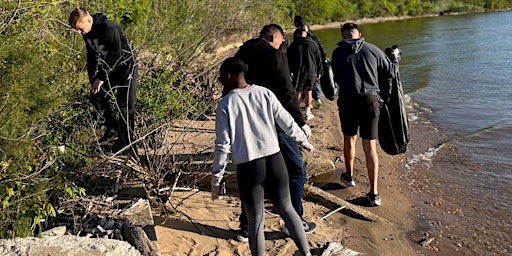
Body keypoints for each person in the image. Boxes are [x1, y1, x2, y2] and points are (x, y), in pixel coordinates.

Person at [211, 57, 314, 256]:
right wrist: (303, 140)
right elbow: (287, 122)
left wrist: (217, 178)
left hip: (249, 166)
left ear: (229, 76)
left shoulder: (226, 104)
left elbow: (222, 145)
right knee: (287, 209)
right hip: (275, 160)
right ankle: (306, 253)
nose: (220, 81)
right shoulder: (264, 93)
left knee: (255, 220)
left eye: (221, 78)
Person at [234, 24, 316, 242]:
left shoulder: (242, 52)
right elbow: (287, 92)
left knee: (255, 176)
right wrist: (301, 122)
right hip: (275, 123)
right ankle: (295, 221)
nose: (282, 45)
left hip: (248, 123)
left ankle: (245, 227)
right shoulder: (274, 54)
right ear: (273, 37)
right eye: (281, 40)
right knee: (296, 170)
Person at [331, 22, 400, 206]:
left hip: (347, 100)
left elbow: (335, 78)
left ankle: (349, 176)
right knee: (370, 146)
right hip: (370, 101)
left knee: (349, 139)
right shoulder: (373, 50)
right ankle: (374, 193)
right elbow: (392, 72)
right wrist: (394, 58)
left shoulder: (338, 53)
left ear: (342, 36)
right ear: (359, 34)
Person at [69, 7, 138, 154]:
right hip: (110, 69)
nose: (79, 33)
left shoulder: (109, 28)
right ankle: (113, 130)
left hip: (126, 67)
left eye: (80, 29)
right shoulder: (87, 33)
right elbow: (91, 55)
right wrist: (92, 76)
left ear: (88, 20)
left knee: (125, 106)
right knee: (96, 96)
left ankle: (127, 145)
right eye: (77, 31)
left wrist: (101, 77)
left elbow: (117, 56)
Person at [287, 28, 323, 121]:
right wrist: (319, 71)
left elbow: (288, 59)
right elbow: (318, 58)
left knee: (298, 91)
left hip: (298, 72)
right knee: (309, 91)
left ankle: (296, 112)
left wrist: (290, 71)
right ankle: (307, 112)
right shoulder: (313, 43)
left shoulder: (294, 45)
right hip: (312, 72)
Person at [294, 16, 327, 108]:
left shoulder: (299, 35)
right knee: (312, 83)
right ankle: (316, 99)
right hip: (312, 60)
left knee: (303, 87)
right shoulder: (311, 36)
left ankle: (316, 98)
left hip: (307, 61)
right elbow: (319, 47)